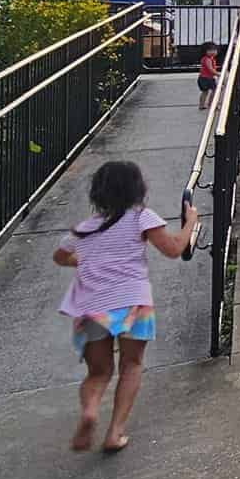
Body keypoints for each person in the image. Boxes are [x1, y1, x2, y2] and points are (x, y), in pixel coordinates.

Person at [54, 159, 198, 453]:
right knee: (131, 365)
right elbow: (173, 249)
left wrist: (86, 261)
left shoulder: (84, 229)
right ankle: (115, 432)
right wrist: (191, 224)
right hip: (133, 302)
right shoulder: (141, 218)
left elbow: (59, 256)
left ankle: (91, 411)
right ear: (137, 189)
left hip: (92, 307)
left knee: (98, 373)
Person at [195, 41, 219, 110]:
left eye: (214, 50)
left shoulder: (211, 59)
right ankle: (210, 104)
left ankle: (205, 104)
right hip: (205, 78)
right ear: (205, 51)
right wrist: (218, 74)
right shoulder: (207, 59)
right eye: (210, 50)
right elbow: (210, 69)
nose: (213, 52)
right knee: (210, 91)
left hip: (206, 78)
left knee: (207, 91)